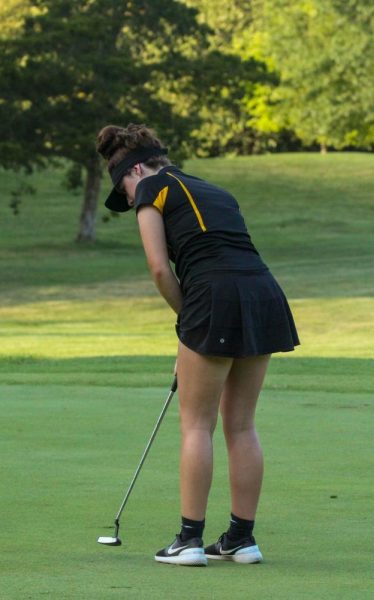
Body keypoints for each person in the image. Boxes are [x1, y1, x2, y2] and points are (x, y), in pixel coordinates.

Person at [96, 124, 299, 567]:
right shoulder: (215, 191)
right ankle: (241, 540)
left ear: (136, 170)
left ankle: (189, 540)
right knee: (241, 424)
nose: (130, 200)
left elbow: (158, 269)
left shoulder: (152, 189)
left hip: (214, 295)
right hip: (260, 293)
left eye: (124, 190)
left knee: (196, 425)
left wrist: (187, 323)